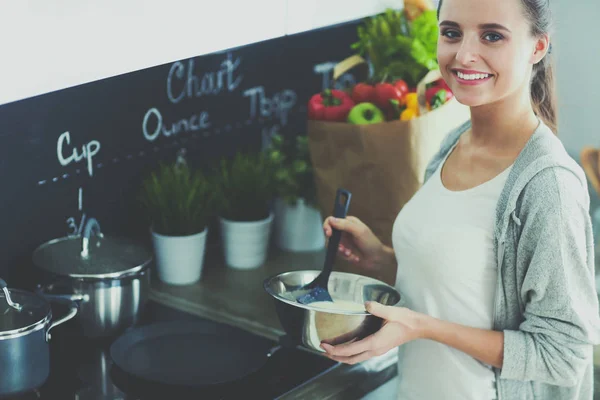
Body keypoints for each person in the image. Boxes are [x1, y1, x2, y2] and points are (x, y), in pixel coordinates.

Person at [320, 0, 600, 398]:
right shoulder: (454, 143)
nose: (464, 54)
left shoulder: (547, 185)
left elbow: (563, 354)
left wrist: (420, 327)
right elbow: (460, 290)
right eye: (451, 32)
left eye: (492, 35)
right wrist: (380, 259)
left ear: (538, 47)